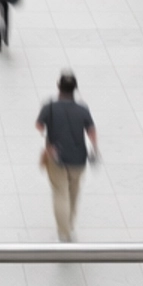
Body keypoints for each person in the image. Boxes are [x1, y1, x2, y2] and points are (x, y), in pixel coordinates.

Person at [36, 74, 97, 241]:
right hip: (79, 159)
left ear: (58, 86)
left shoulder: (49, 107)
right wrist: (95, 150)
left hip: (56, 158)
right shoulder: (82, 109)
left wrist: (46, 136)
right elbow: (91, 131)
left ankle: (64, 232)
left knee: (60, 193)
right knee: (74, 192)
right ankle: (70, 224)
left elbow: (39, 125)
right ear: (75, 88)